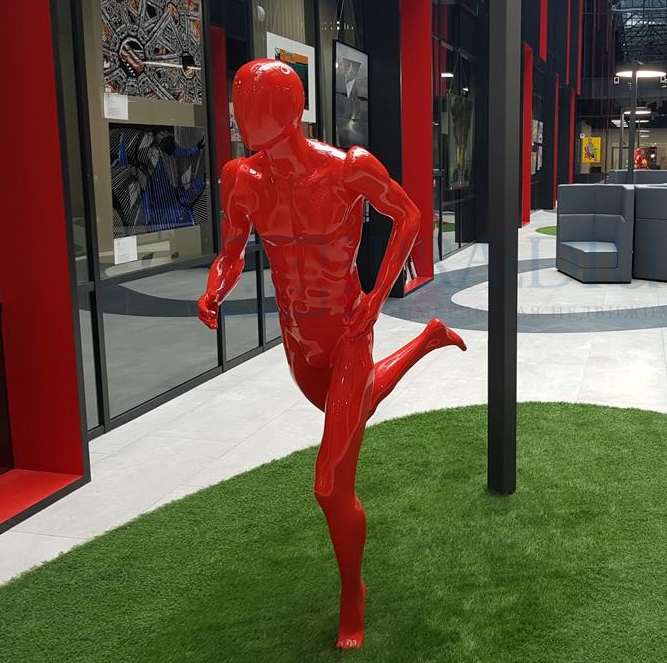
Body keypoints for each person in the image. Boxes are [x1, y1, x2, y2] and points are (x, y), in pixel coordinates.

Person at [197, 59, 466, 649]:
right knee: (355, 409)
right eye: (240, 104)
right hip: (298, 343)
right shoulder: (242, 178)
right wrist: (215, 289)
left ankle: (352, 594)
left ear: (287, 111)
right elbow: (232, 252)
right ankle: (427, 340)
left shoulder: (348, 169)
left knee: (330, 484)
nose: (242, 117)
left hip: (347, 333)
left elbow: (409, 216)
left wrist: (376, 295)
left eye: (254, 105)